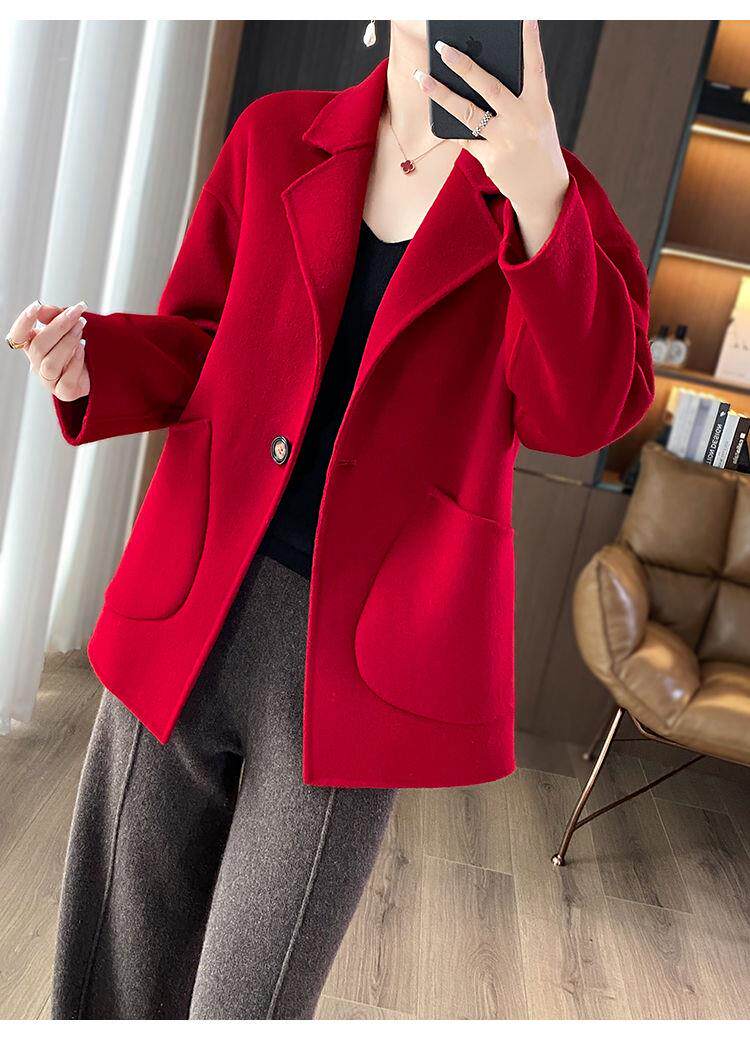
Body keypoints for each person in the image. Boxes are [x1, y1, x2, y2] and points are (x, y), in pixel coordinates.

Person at [6, 20, 654, 1020]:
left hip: (361, 665)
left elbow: (583, 415)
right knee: (111, 987)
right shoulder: (275, 136)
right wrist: (96, 360)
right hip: (191, 606)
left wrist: (541, 201)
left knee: (250, 1004)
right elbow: (204, 341)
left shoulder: (555, 202)